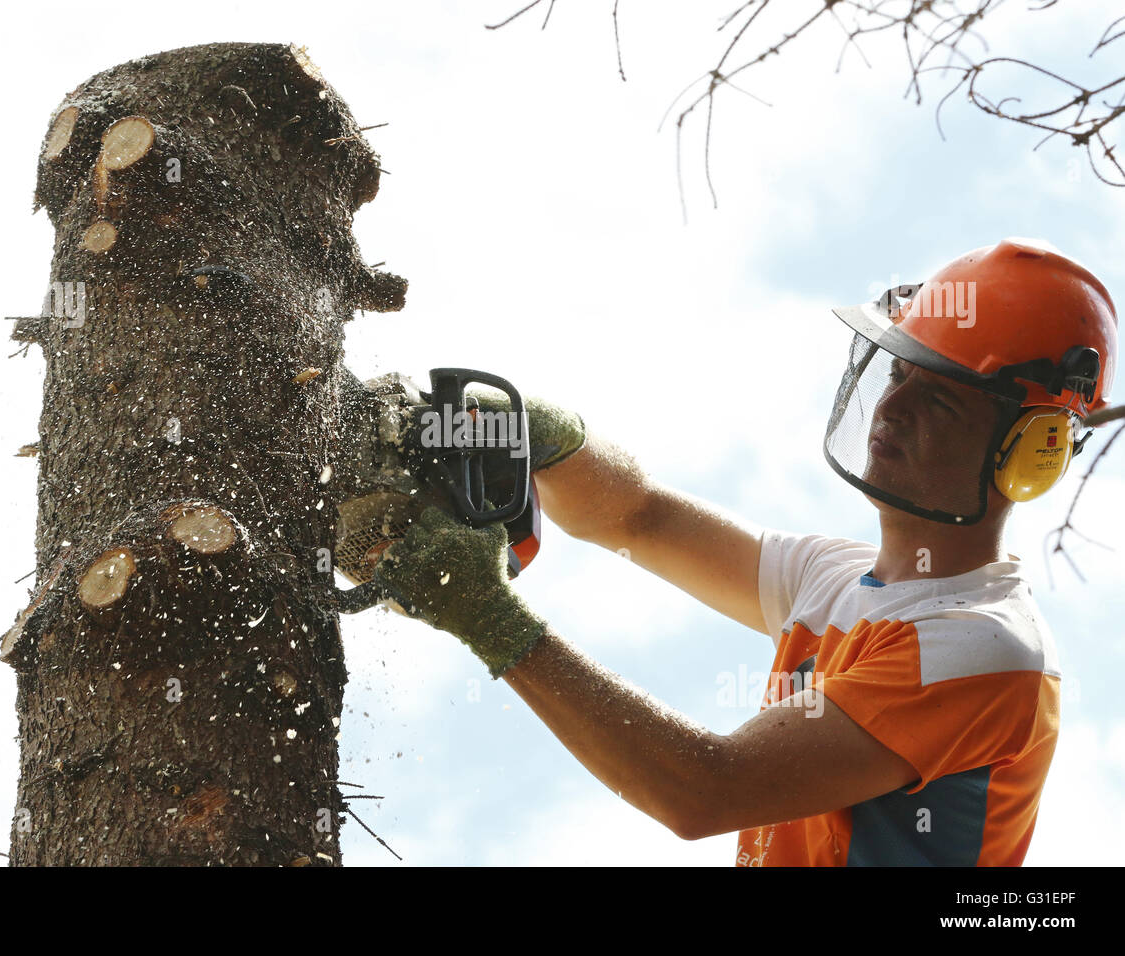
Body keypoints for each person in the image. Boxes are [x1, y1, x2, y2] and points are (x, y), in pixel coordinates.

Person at [370, 238, 1118, 866]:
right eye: (897, 375)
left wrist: (487, 617)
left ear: (1033, 450)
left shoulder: (986, 650)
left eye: (939, 399)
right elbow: (637, 516)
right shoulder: (835, 578)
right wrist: (548, 437)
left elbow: (706, 791)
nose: (891, 409)